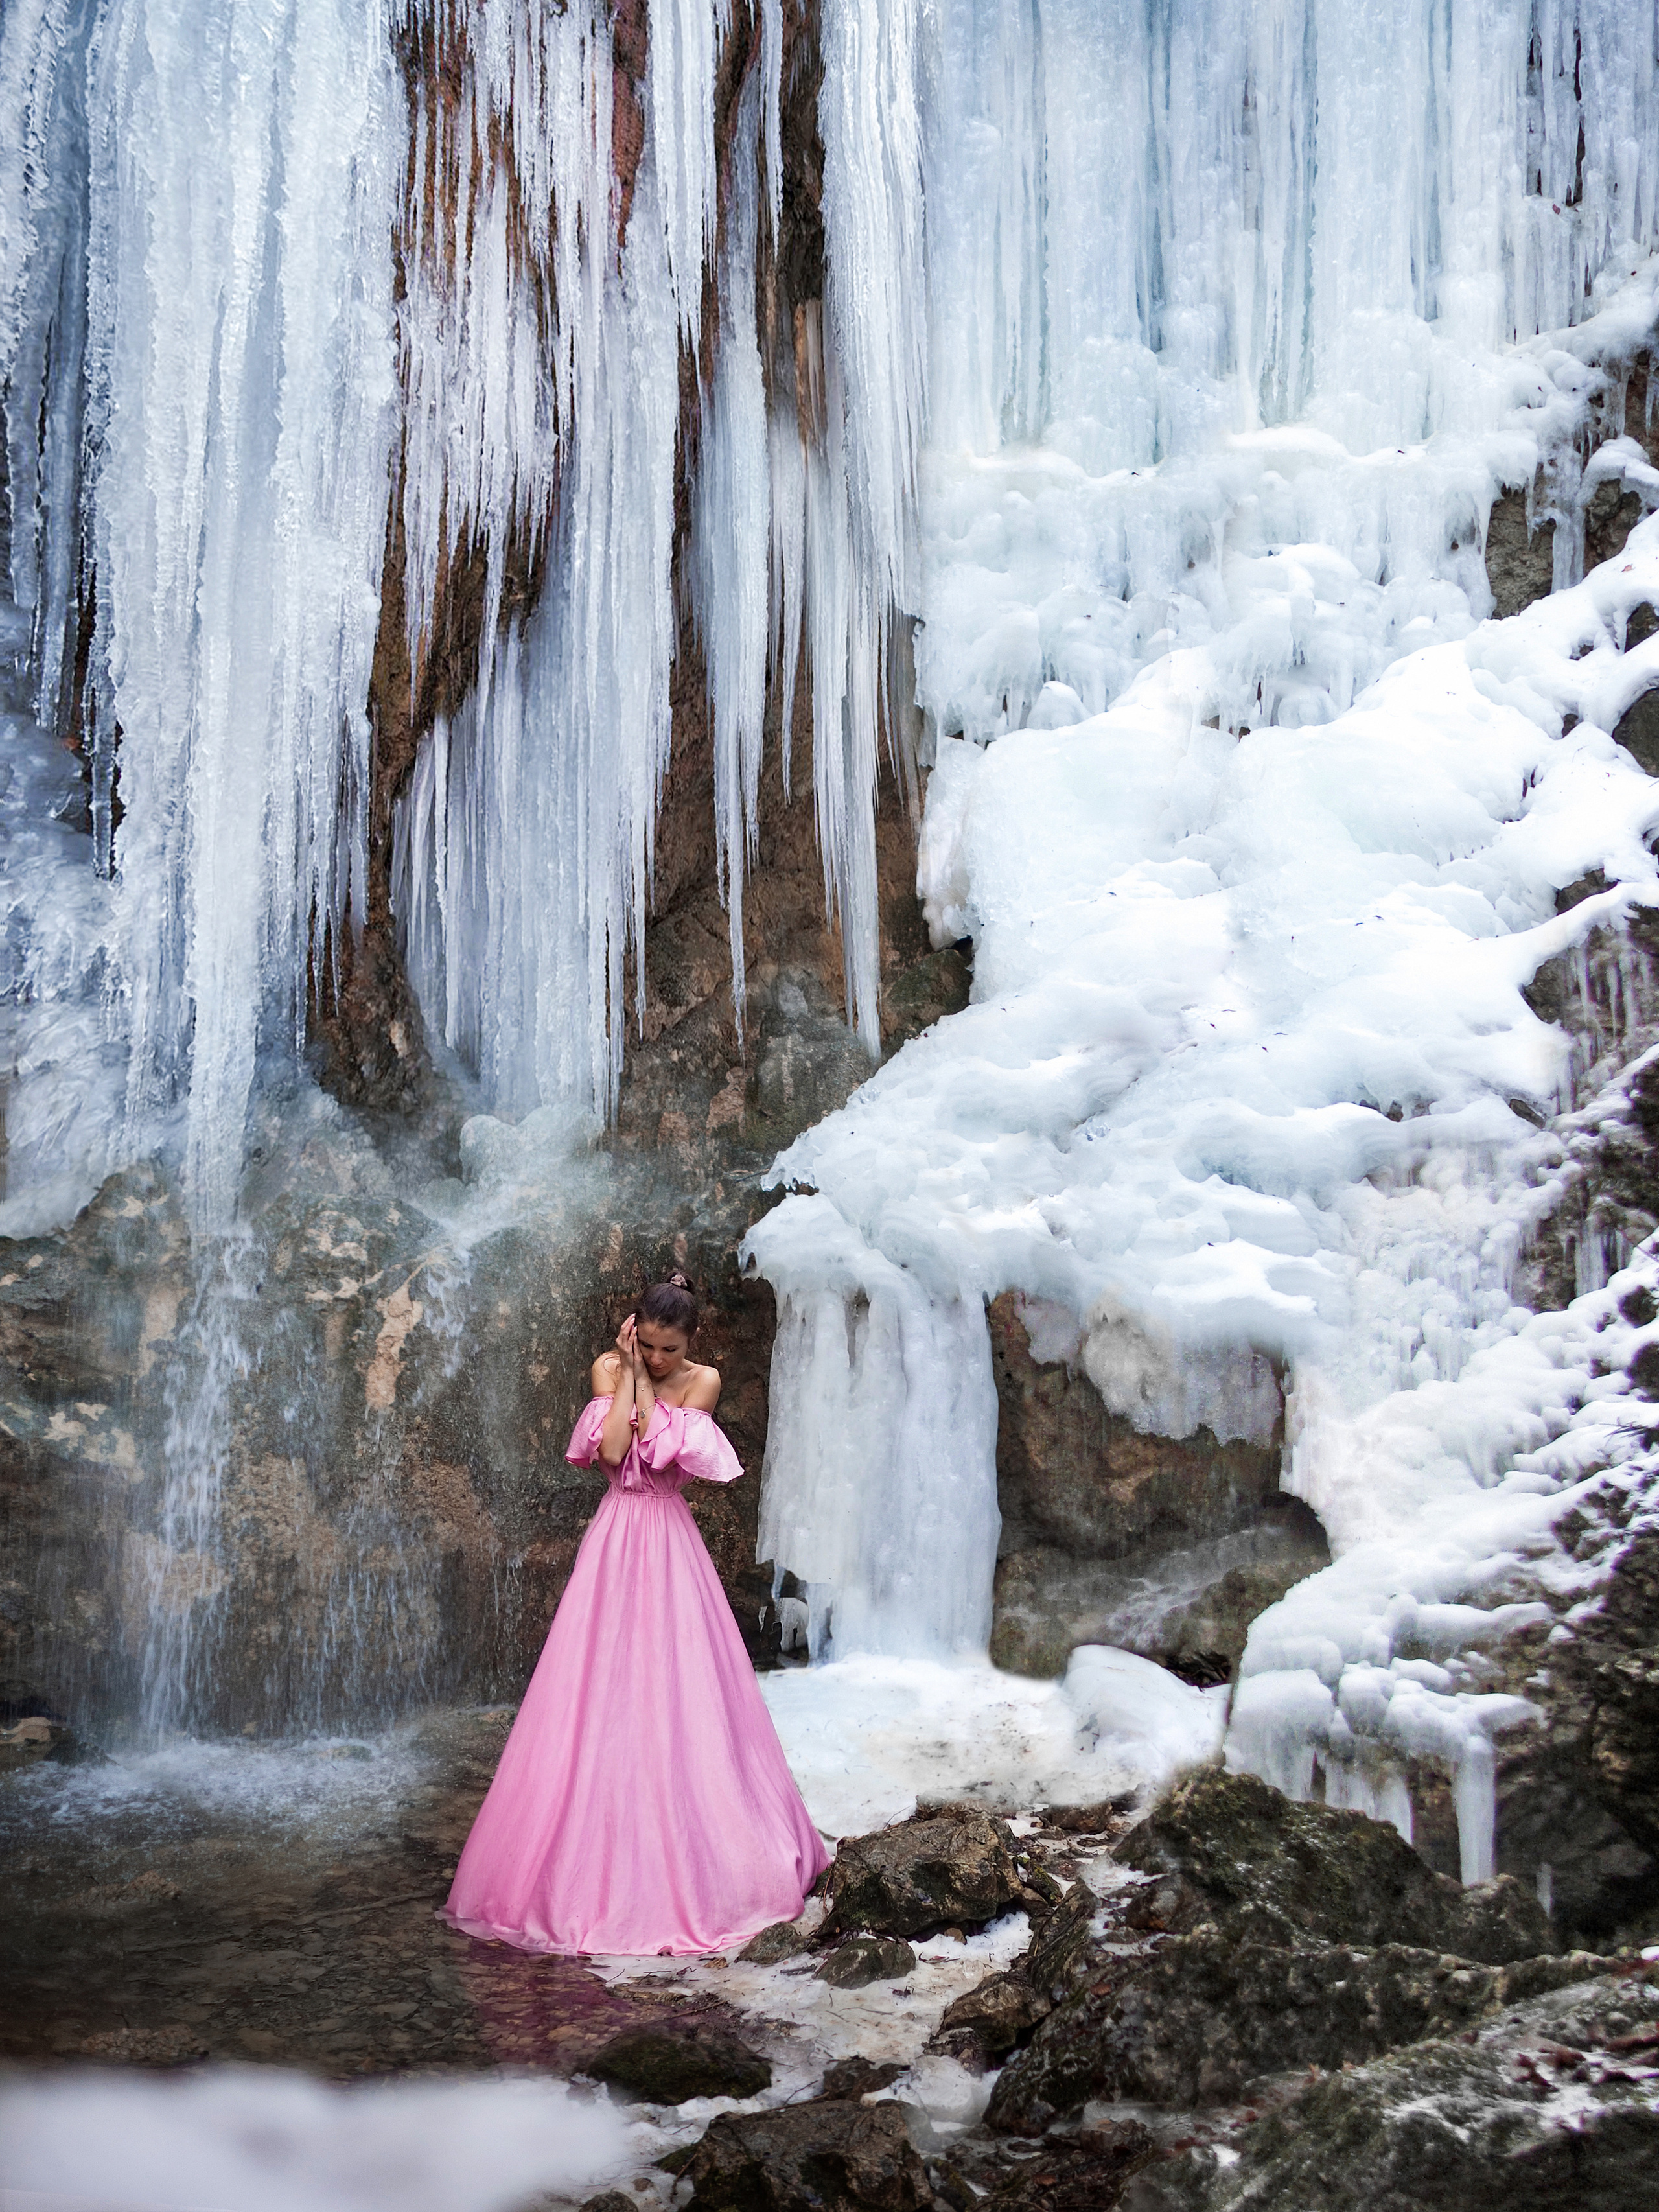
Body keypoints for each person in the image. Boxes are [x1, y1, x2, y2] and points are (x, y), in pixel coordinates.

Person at [441, 1272, 830, 1955]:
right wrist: (629, 1379)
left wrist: (647, 1388)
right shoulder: (608, 1367)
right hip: (616, 1532)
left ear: (691, 1342)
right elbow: (617, 1453)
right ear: (633, 1328)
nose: (655, 1358)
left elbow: (664, 1455)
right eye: (645, 1344)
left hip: (668, 1536)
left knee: (681, 1684)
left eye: (667, 1350)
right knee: (597, 1682)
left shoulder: (702, 1380)